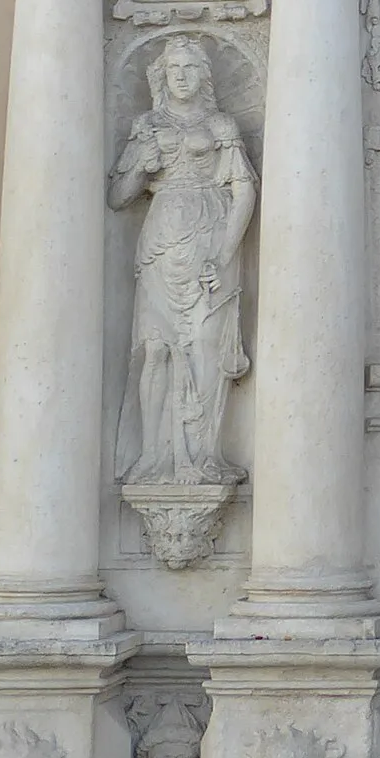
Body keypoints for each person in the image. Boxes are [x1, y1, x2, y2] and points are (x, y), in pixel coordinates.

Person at [111, 35, 257, 484]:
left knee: (205, 348)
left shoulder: (221, 127)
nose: (181, 76)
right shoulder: (147, 128)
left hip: (209, 240)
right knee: (156, 349)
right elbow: (119, 197)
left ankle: (203, 456)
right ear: (161, 76)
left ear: (204, 76)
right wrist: (141, 168)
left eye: (190, 68)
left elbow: (244, 191)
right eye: (173, 69)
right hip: (161, 243)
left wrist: (224, 254)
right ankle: (155, 456)